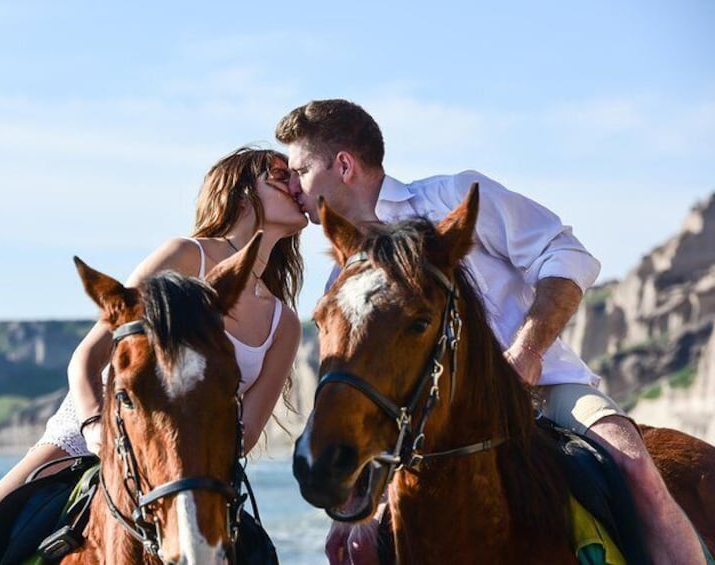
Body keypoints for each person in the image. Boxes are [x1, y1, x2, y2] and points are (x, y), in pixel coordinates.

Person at [275, 98, 707, 565]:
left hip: (546, 389)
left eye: (299, 170)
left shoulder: (454, 196)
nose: (292, 187)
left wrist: (527, 350)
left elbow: (568, 256)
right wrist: (349, 509)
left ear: (343, 164)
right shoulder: (340, 280)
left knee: (635, 466)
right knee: (358, 549)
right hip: (421, 430)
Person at [0, 146, 308, 565]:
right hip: (96, 428)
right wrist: (94, 425)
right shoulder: (184, 255)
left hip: (188, 458)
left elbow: (247, 431)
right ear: (241, 191)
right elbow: (87, 358)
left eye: (298, 176)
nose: (297, 184)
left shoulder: (283, 322)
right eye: (281, 175)